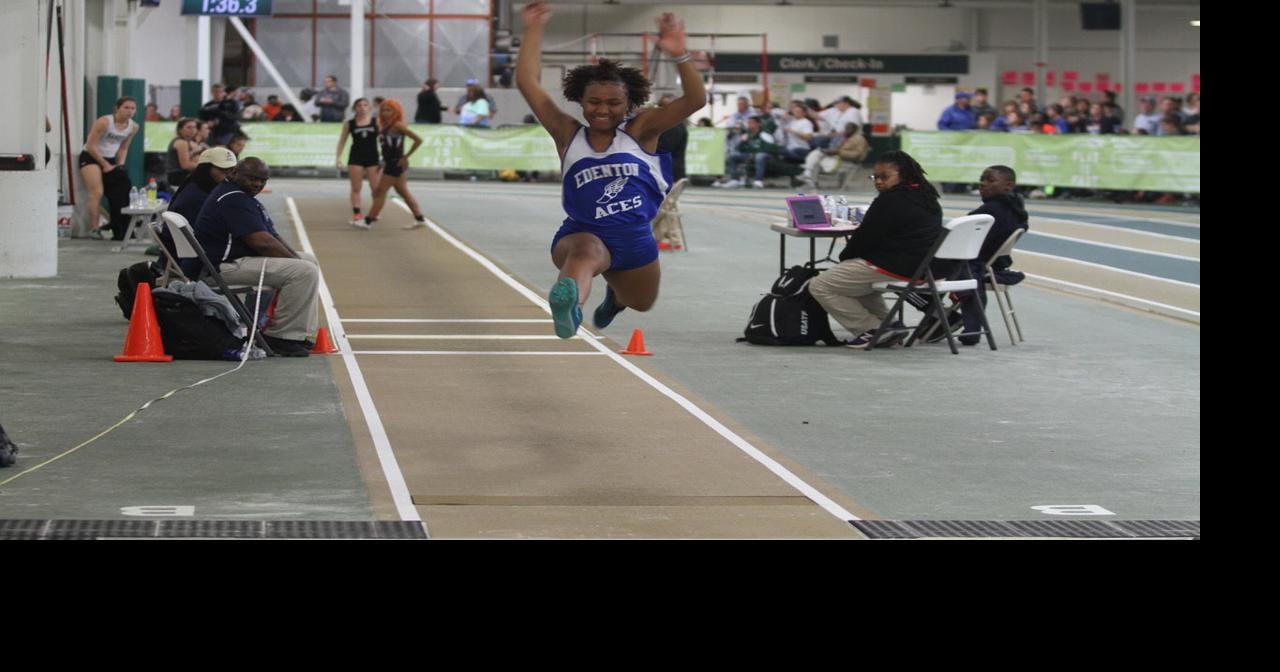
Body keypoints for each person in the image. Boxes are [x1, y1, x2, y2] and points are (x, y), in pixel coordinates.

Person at [517, 1, 706, 339]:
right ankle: (569, 306)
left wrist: (681, 55)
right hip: (581, 232)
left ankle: (616, 298)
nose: (602, 110)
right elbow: (527, 82)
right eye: (593, 102)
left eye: (613, 103)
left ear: (628, 103)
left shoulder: (643, 130)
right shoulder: (567, 133)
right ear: (580, 101)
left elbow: (695, 101)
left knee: (642, 301)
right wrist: (534, 28)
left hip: (635, 238)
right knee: (586, 253)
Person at [806, 150, 947, 349]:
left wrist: (845, 257)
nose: (879, 182)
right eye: (876, 177)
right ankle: (889, 325)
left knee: (820, 285)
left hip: (899, 266)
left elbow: (864, 239)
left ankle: (870, 329)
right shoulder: (928, 197)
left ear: (903, 175)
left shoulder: (889, 201)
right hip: (926, 267)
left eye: (885, 177)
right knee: (857, 279)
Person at [185, 157, 320, 357]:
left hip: (233, 261)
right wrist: (294, 262)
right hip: (219, 269)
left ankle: (300, 334)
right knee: (304, 271)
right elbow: (262, 243)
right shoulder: (232, 198)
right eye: (252, 178)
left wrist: (294, 258)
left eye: (263, 180)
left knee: (308, 261)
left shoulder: (241, 196)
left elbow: (273, 237)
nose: (257, 184)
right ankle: (280, 338)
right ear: (234, 173)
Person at [354, 99, 428, 231]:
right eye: (383, 110)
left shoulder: (398, 125)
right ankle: (419, 218)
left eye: (389, 110)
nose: (385, 113)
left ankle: (369, 220)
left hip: (395, 163)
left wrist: (406, 156)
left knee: (379, 192)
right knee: (403, 192)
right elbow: (386, 146)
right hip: (390, 162)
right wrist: (383, 162)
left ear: (396, 111)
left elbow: (418, 140)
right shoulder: (385, 125)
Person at [79, 96, 139, 239]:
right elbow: (90, 145)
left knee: (120, 192)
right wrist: (105, 165)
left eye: (132, 108)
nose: (129, 111)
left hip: (111, 158)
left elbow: (124, 148)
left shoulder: (133, 127)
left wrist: (120, 165)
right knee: (97, 192)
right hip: (91, 156)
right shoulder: (104, 122)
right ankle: (94, 229)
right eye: (126, 107)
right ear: (117, 108)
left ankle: (120, 227)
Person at [336, 98, 382, 227]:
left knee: (376, 188)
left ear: (369, 108)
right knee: (356, 187)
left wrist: (385, 156)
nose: (362, 107)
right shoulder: (349, 123)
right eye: (359, 105)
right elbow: (342, 141)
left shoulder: (376, 122)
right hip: (356, 157)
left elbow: (383, 138)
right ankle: (357, 213)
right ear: (355, 108)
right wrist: (338, 157)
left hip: (373, 157)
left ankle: (375, 212)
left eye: (365, 105)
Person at [165, 117, 202, 190]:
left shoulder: (190, 142)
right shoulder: (181, 142)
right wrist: (205, 166)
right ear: (180, 130)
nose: (193, 130)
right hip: (178, 177)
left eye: (194, 127)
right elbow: (186, 165)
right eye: (189, 127)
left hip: (184, 177)